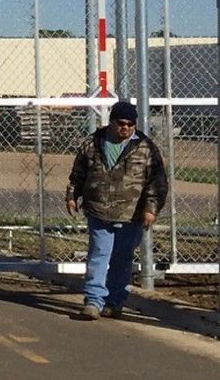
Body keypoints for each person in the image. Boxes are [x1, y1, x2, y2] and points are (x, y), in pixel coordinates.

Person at [65, 100, 168, 320]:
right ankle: (93, 301)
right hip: (99, 210)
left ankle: (114, 301)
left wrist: (150, 209)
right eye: (121, 123)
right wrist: (72, 196)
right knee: (98, 255)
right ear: (111, 122)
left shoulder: (145, 147)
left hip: (131, 214)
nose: (126, 128)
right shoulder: (93, 143)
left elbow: (157, 182)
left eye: (131, 124)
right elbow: (78, 174)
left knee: (122, 258)